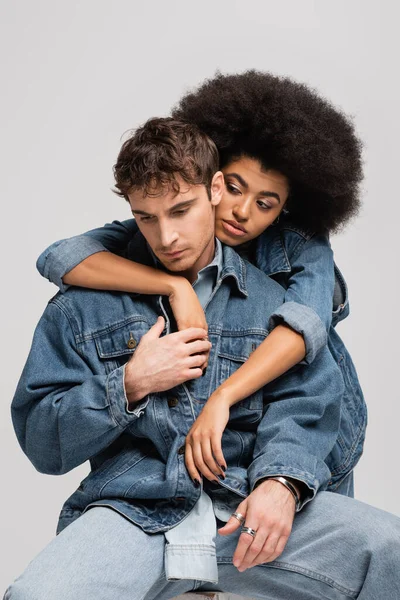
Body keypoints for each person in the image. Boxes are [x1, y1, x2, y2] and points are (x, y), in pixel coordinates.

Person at [5, 116, 400, 600]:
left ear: (213, 190)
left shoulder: (277, 299)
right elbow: (43, 444)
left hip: (246, 507)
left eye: (182, 210)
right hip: (136, 511)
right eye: (146, 218)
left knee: (390, 549)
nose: (166, 236)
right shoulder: (84, 306)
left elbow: (307, 403)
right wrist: (129, 383)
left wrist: (282, 483)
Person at [37, 71, 366, 490]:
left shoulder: (302, 249)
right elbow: (62, 257)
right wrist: (172, 286)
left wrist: (223, 398)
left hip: (321, 434)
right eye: (233, 187)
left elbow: (302, 329)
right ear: (212, 182)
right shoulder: (167, 225)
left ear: (283, 210)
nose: (242, 211)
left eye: (265, 203)